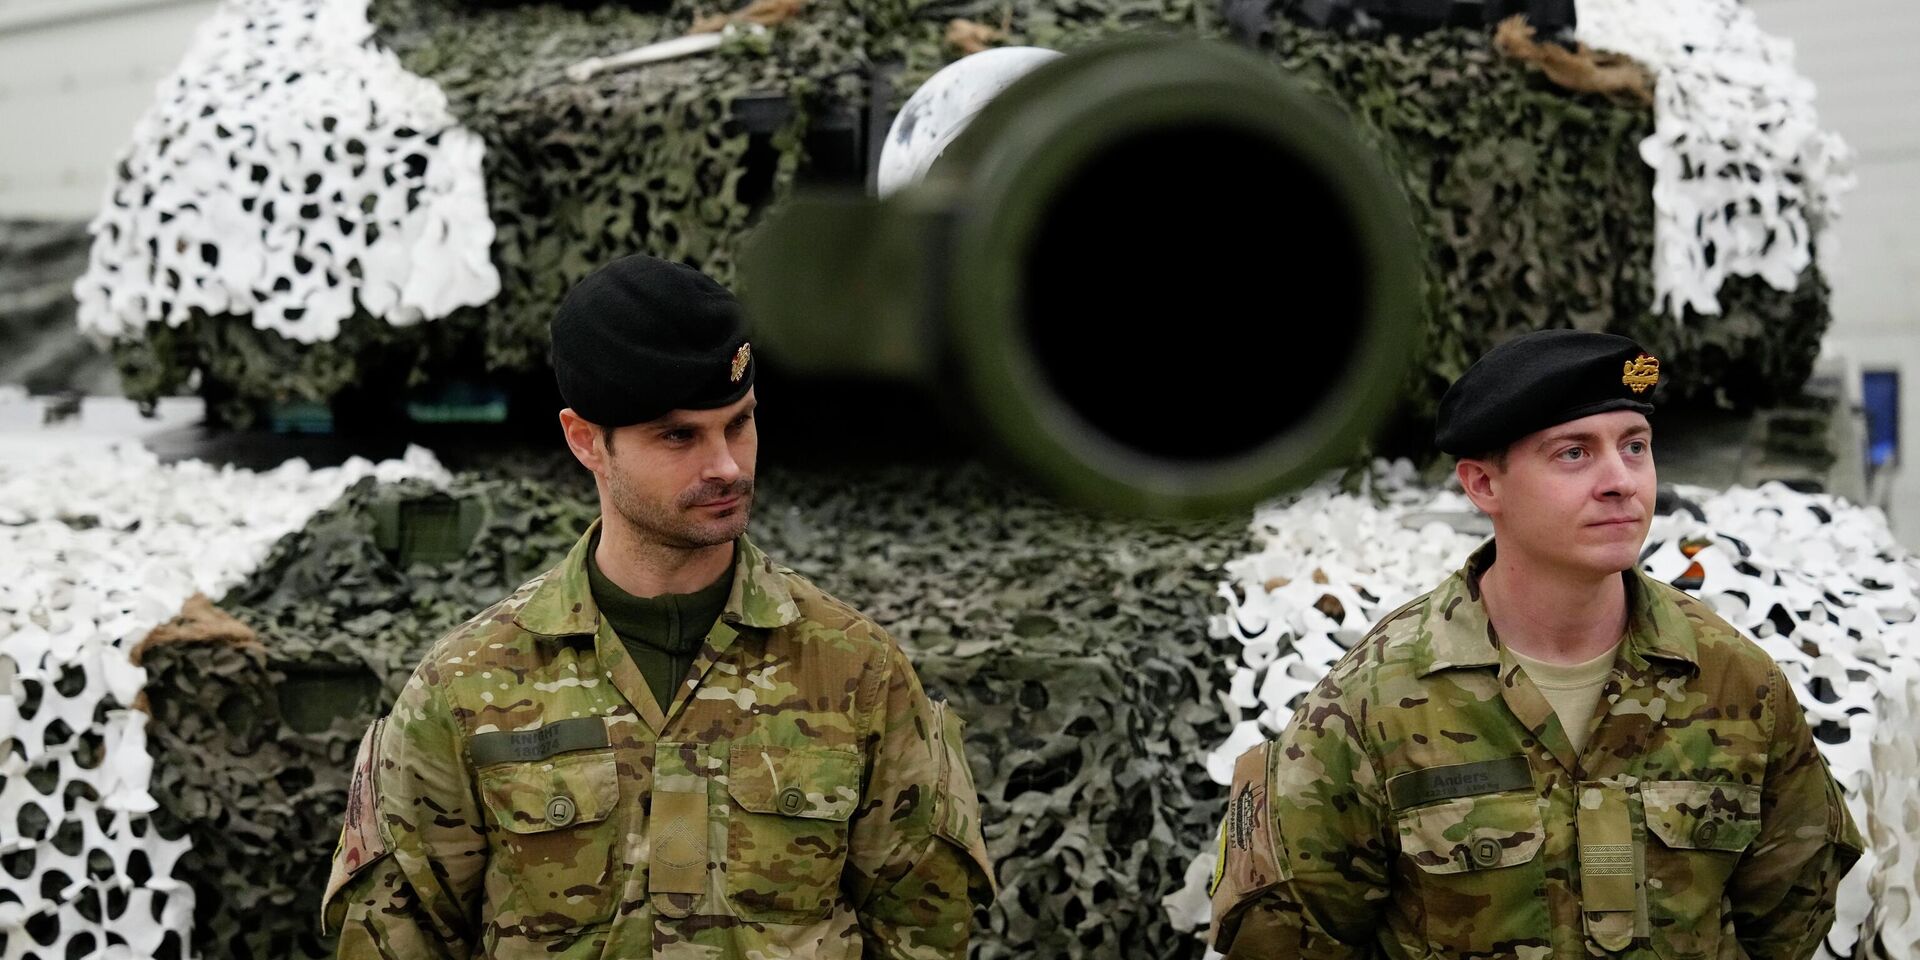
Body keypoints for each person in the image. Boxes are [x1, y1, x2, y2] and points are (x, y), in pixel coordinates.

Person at [321, 254, 995, 959]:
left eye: (739, 423)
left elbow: (924, 930)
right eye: (679, 436)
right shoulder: (462, 688)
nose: (728, 466)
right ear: (586, 441)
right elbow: (397, 936)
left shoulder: (857, 671)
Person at [1208, 329, 1862, 960]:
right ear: (1483, 485)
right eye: (1573, 453)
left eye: (1634, 447)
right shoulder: (1371, 702)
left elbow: (1789, 918)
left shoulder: (1735, 681)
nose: (1620, 481)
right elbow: (1285, 940)